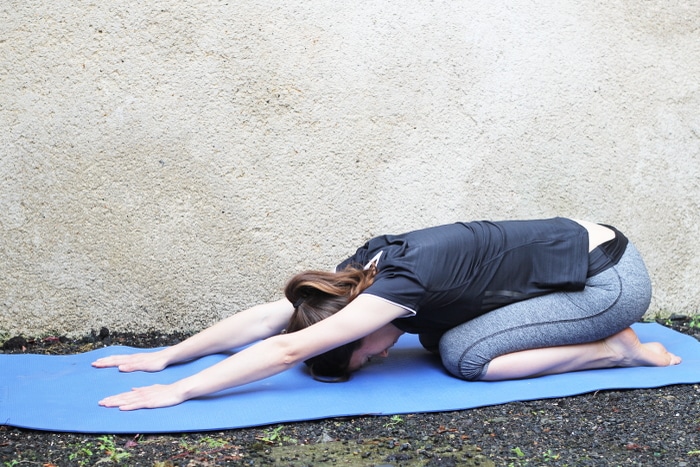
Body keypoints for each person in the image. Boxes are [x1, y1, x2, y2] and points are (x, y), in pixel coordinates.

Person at [93, 217, 681, 411]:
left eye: (364, 356)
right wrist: (169, 356)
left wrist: (182, 392)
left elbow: (287, 348)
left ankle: (618, 349)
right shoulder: (355, 275)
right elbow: (273, 318)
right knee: (434, 337)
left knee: (464, 356)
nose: (378, 356)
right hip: (576, 258)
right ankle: (604, 340)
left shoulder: (395, 288)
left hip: (608, 279)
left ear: (357, 327)